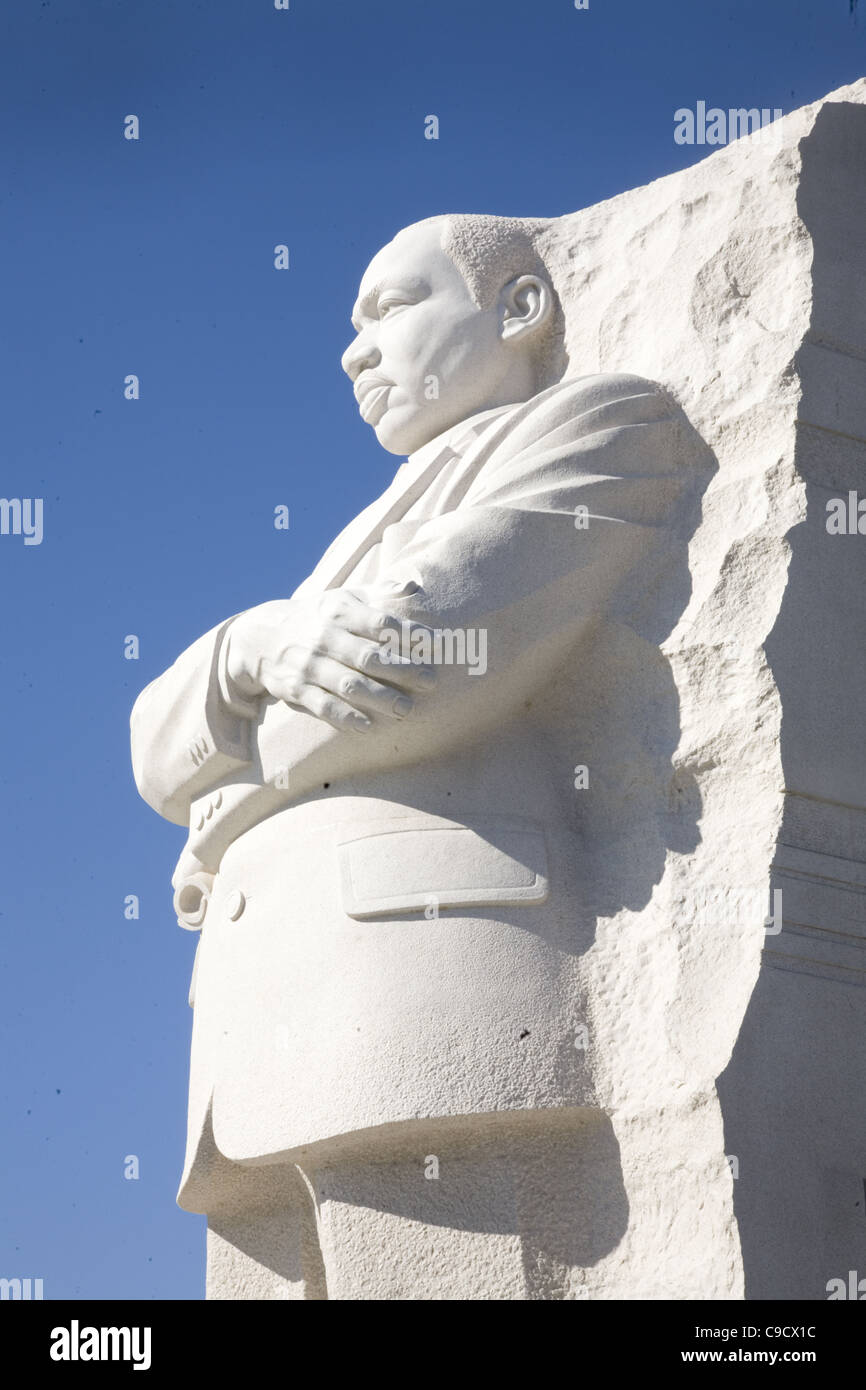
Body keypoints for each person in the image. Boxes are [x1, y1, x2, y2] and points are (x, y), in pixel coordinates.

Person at [131, 214, 706, 1299]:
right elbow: (153, 753)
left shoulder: (600, 422)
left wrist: (229, 797)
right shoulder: (343, 547)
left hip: (422, 1003)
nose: (354, 351)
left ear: (520, 311)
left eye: (390, 307)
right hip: (256, 1042)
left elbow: (410, 665)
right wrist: (254, 642)